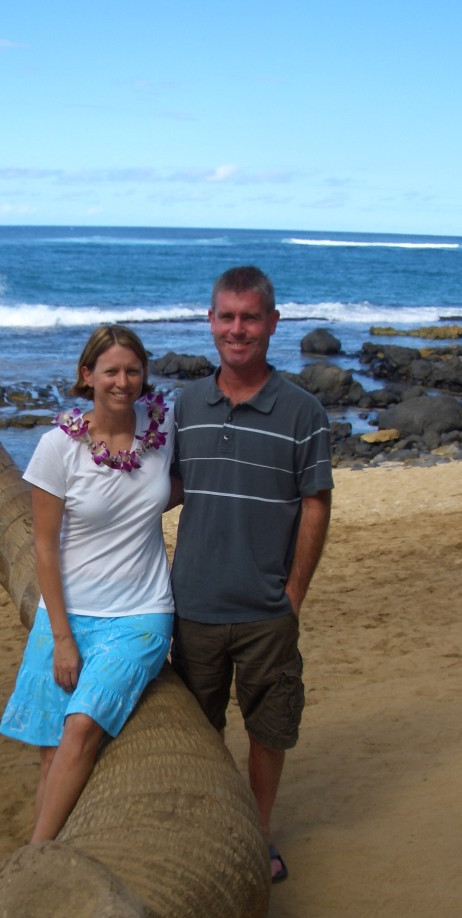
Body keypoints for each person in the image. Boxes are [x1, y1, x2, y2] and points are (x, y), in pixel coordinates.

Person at [170, 266, 333, 883]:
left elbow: (315, 503)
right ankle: (214, 828)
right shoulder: (186, 405)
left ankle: (258, 835)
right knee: (199, 732)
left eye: (250, 317)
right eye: (227, 316)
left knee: (269, 730)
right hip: (194, 606)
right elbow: (169, 488)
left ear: (272, 323)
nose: (237, 329)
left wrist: (293, 595)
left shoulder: (303, 411)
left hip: (267, 612)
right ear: (210, 321)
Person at [0, 325, 175, 842]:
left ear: (144, 375)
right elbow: (44, 548)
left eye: (133, 370)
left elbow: (183, 485)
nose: (123, 381)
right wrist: (62, 638)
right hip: (67, 615)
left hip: (141, 614)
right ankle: (50, 850)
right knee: (51, 753)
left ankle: (36, 853)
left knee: (80, 727)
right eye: (111, 370)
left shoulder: (164, 429)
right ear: (87, 375)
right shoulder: (59, 447)